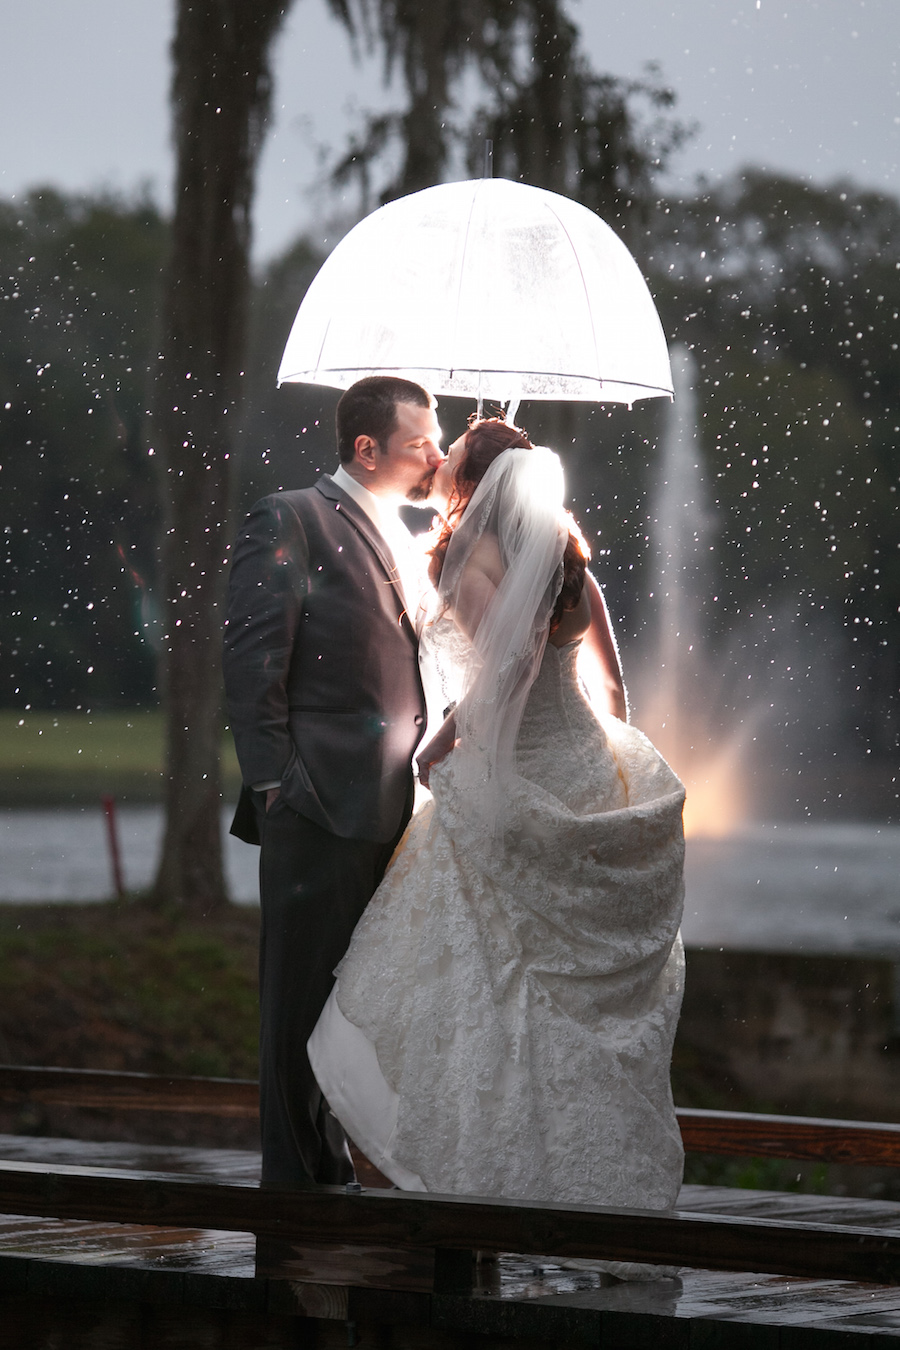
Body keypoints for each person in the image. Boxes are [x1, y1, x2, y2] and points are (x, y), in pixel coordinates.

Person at [309, 418, 686, 1266]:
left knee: (484, 981)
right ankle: (593, 1188)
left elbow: (502, 674)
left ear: (473, 482)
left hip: (507, 775)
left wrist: (436, 749)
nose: (435, 462)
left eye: (450, 456)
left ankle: (481, 1167)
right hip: (583, 762)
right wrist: (596, 769)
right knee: (566, 1004)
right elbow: (613, 688)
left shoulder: (463, 559)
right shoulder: (568, 563)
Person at [223, 375, 443, 1189]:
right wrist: (278, 784)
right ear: (367, 447)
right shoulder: (293, 517)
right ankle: (299, 1189)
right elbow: (253, 662)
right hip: (316, 805)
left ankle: (341, 1170)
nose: (437, 453)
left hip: (396, 812)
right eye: (423, 441)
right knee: (299, 1004)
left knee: (365, 1006)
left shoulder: (411, 533)